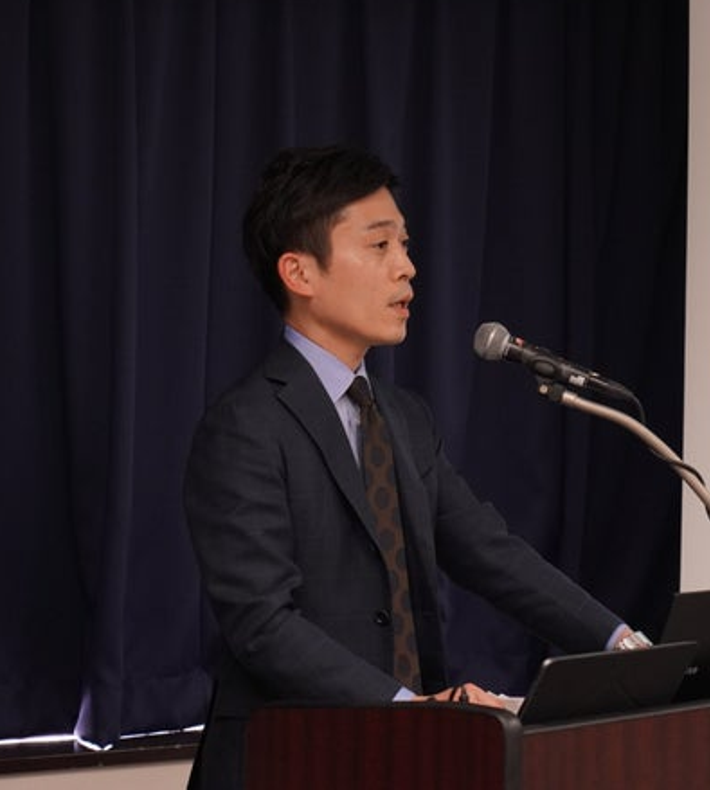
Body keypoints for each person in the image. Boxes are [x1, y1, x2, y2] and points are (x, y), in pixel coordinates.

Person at [184, 144, 644, 790]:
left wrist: (622, 644)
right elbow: (262, 624)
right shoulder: (246, 425)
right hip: (288, 759)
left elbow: (489, 553)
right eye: (379, 246)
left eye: (404, 244)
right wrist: (409, 709)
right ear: (299, 272)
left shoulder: (403, 416)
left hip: (406, 758)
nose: (407, 268)